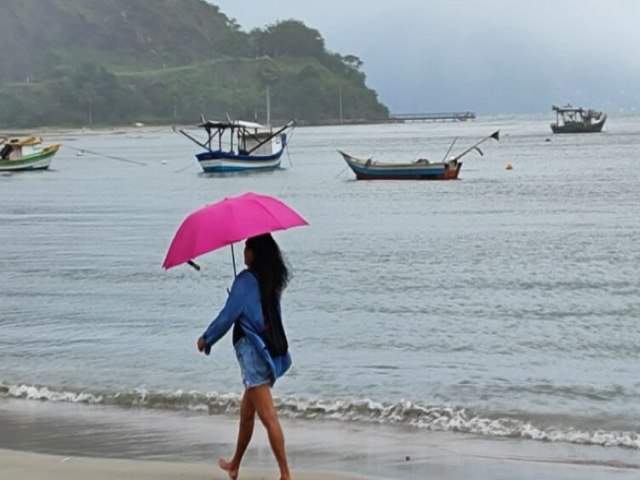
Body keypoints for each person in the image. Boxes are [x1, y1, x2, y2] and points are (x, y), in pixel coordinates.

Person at [197, 233, 292, 480]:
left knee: (269, 417)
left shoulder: (246, 281)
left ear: (254, 253)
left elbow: (227, 316)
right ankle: (235, 464)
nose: (243, 252)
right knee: (247, 414)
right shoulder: (269, 280)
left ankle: (285, 474)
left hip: (253, 356)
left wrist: (206, 339)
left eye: (247, 247)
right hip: (265, 353)